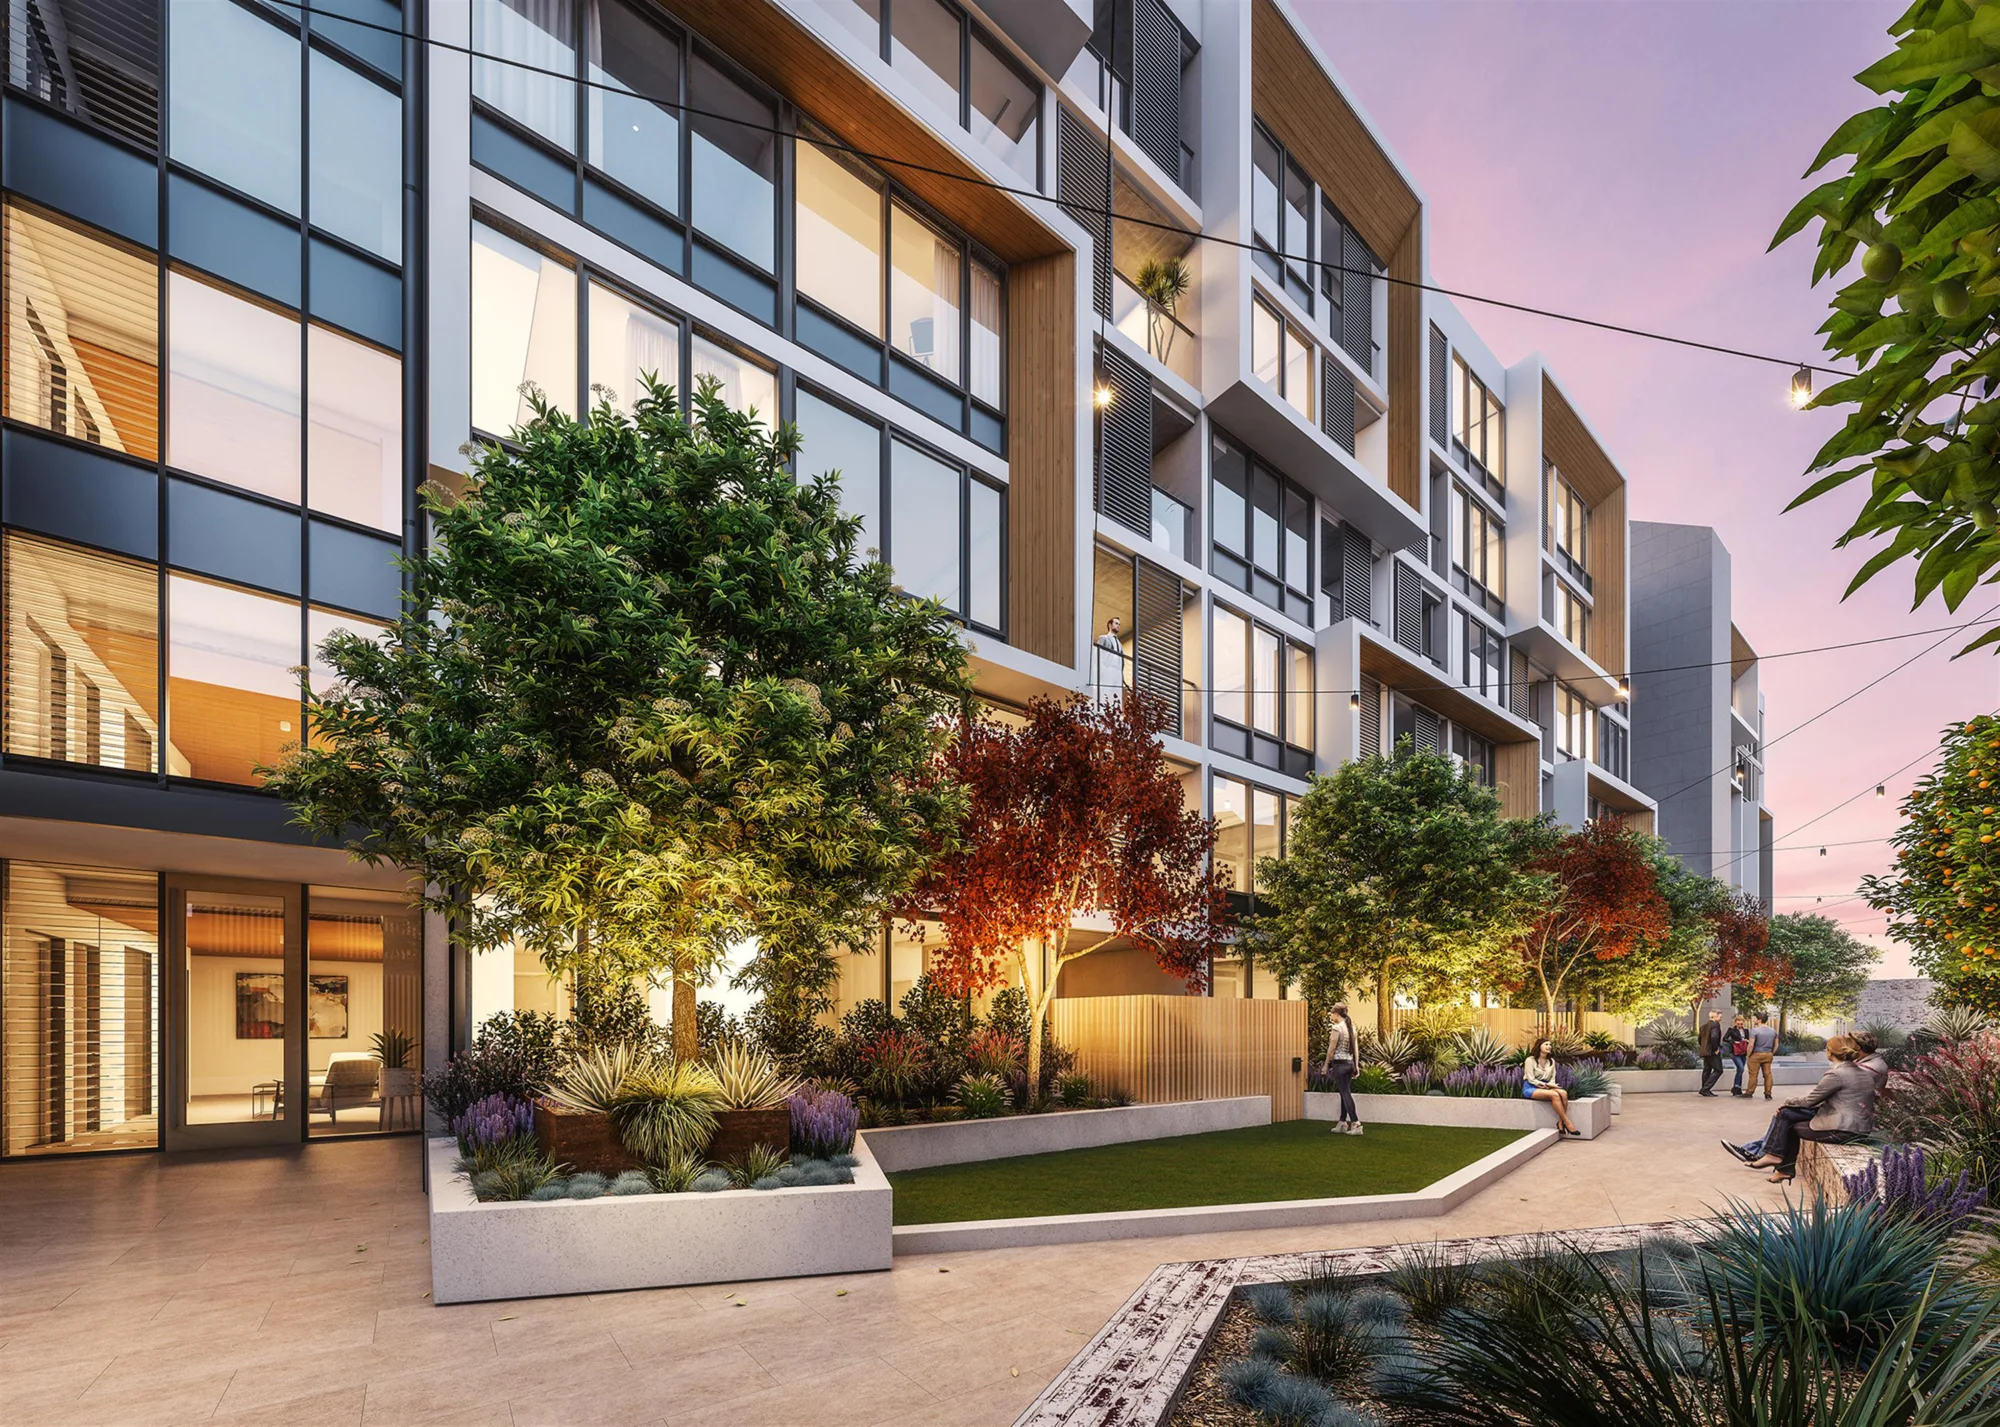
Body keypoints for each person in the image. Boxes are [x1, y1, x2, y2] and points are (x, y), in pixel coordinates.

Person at [1741, 1036, 1879, 1184]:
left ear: (1829, 1052)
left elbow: (1809, 1101)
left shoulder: (1837, 1074)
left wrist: (1788, 1101)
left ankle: (1777, 1159)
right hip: (1861, 1129)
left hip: (1842, 1131)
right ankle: (1780, 1165)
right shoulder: (1863, 1073)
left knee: (1788, 1120)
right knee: (1787, 1115)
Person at [1522, 1037, 1582, 1137]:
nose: (1549, 1046)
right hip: (1531, 1087)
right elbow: (1531, 1079)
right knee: (1555, 1095)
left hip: (1547, 1086)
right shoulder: (1530, 1060)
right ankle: (1567, 1122)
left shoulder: (1551, 1061)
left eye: (1550, 1045)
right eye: (1546, 1044)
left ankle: (1560, 1122)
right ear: (1539, 1046)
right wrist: (1546, 1085)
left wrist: (1550, 1085)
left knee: (1563, 1093)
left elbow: (1552, 1078)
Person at [1321, 1002, 1362, 1135]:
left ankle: (1355, 1122)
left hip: (1339, 1064)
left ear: (1337, 1014)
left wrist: (1326, 1065)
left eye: (1332, 1014)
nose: (1331, 1017)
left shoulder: (1337, 1028)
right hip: (1349, 1063)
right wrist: (1356, 1065)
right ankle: (1342, 1122)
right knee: (1344, 1092)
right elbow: (1355, 1049)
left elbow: (1332, 1048)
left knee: (1345, 1093)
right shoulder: (1351, 1028)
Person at [1091, 617, 1127, 704]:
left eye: (1119, 624)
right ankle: (1101, 705)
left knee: (1116, 695)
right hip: (1107, 668)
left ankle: (1115, 709)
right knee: (1105, 691)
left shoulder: (1120, 644)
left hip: (1117, 671)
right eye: (1116, 623)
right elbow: (1097, 655)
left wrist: (1121, 675)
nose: (1118, 626)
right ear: (1110, 625)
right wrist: (1099, 670)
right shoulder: (1104, 638)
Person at [1743, 1010, 1778, 1100]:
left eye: (1755, 1018)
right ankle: (1768, 1093)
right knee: (1768, 1074)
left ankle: (1749, 1092)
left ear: (1759, 1020)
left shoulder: (1754, 1031)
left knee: (1753, 1074)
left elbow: (1751, 1045)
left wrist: (1748, 1055)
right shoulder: (1773, 1031)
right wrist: (1771, 1053)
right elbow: (1776, 1045)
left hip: (1756, 1054)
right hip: (1768, 1054)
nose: (1754, 1020)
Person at [1698, 1009, 1725, 1097]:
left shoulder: (1704, 1026)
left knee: (1707, 1070)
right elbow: (1714, 1037)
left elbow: (1699, 1039)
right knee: (1718, 1070)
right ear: (1715, 1016)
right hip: (1712, 1051)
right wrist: (1715, 1048)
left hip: (1705, 1050)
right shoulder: (1715, 1025)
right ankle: (1705, 1089)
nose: (1721, 1018)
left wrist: (1703, 1047)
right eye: (1720, 1016)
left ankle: (1705, 1089)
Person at [1726, 1015, 1751, 1096]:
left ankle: (1738, 1089)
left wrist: (1747, 1041)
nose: (1740, 1025)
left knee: (1740, 1070)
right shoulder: (1731, 1030)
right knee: (1741, 1068)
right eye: (1738, 1024)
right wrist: (1733, 1041)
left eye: (1741, 1024)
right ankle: (1735, 1087)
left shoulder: (1746, 1030)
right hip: (1735, 1052)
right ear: (1735, 1022)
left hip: (1743, 1052)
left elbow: (1749, 1039)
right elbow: (1725, 1038)